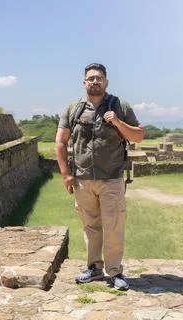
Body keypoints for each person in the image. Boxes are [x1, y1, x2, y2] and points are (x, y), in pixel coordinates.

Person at [55, 63, 144, 290]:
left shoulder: (119, 106)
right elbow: (61, 142)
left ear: (106, 82)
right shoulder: (73, 109)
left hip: (112, 178)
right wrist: (66, 174)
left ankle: (114, 272)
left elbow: (138, 136)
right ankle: (94, 268)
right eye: (91, 78)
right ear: (84, 82)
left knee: (113, 226)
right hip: (83, 179)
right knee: (91, 227)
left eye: (99, 78)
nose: (95, 81)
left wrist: (116, 121)